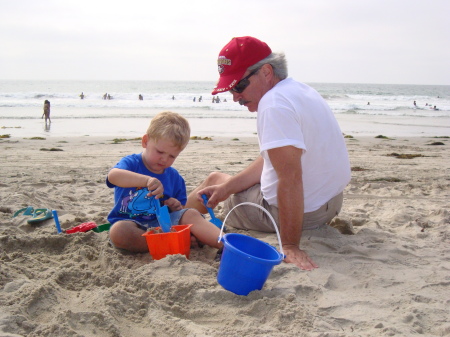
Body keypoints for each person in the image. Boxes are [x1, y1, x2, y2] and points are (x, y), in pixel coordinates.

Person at [185, 36, 351, 271]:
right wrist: (228, 186)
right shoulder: (299, 90)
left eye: (239, 86)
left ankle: (175, 223)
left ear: (266, 72)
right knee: (224, 185)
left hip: (302, 212)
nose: (235, 97)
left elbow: (290, 178)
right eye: (231, 89)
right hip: (330, 203)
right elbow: (274, 160)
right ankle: (185, 213)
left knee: (215, 183)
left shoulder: (273, 104)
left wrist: (290, 245)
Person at [106, 111, 222, 253]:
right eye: (160, 152)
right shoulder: (131, 163)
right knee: (119, 231)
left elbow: (181, 211)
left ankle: (225, 244)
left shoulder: (175, 178)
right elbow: (113, 176)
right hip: (131, 224)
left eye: (172, 156)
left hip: (162, 226)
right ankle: (170, 244)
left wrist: (175, 206)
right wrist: (146, 180)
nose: (164, 159)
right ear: (145, 141)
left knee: (191, 214)